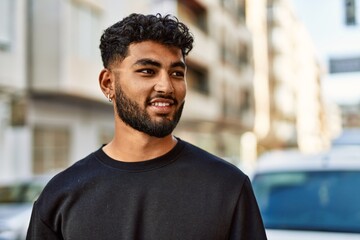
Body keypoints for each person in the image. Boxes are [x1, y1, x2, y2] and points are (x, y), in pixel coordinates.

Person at [26, 13, 267, 240]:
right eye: (147, 71)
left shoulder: (228, 187)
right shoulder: (60, 196)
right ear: (108, 83)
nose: (166, 86)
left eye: (176, 73)